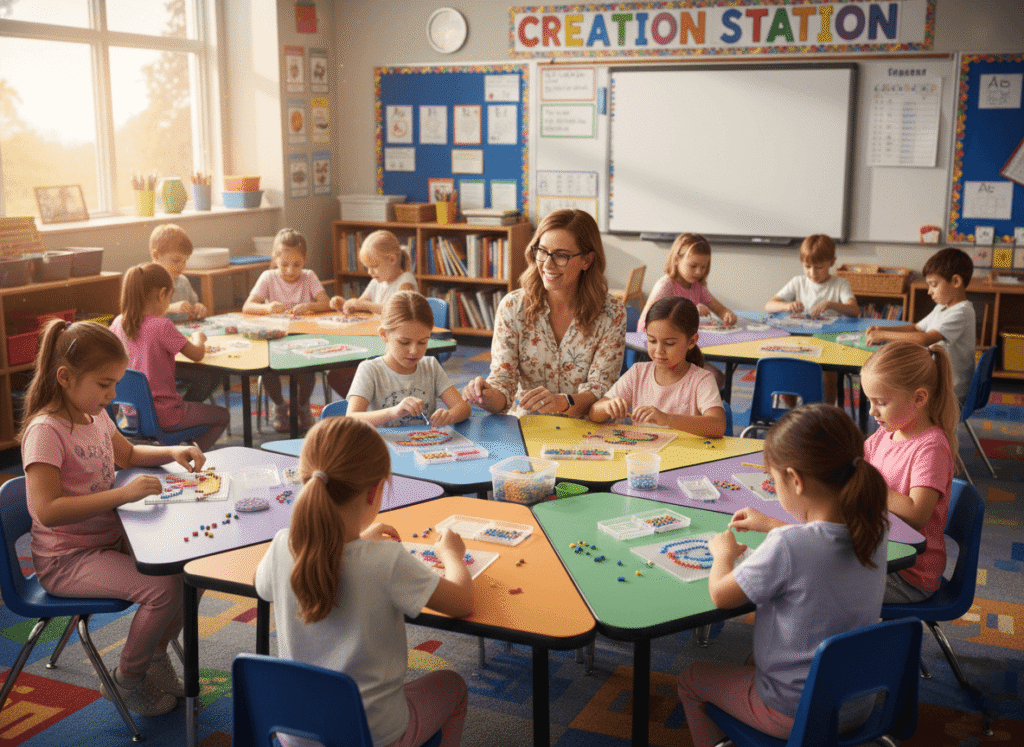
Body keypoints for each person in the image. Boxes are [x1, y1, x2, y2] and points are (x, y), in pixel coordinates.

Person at [19, 318, 207, 717]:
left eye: (116, 383)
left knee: (193, 569)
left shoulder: (93, 415)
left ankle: (155, 655)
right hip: (66, 559)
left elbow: (129, 454)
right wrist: (121, 495)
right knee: (163, 589)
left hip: (107, 540)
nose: (113, 394)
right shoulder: (46, 431)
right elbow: (47, 510)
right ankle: (128, 677)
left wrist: (172, 451)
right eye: (105, 384)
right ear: (65, 377)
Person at [677, 403, 890, 747]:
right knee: (751, 661)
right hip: (856, 705)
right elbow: (820, 543)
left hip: (793, 713)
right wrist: (774, 524)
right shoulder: (875, 529)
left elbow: (721, 595)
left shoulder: (788, 546)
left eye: (774, 481)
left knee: (691, 679)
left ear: (795, 480)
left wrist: (723, 554)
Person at [254, 417, 472, 747]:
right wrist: (451, 554)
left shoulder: (282, 545)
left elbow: (261, 584)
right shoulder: (387, 561)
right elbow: (462, 601)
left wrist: (355, 542)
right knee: (453, 686)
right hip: (373, 737)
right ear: (374, 492)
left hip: (296, 734)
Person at [462, 209, 626, 417]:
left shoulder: (611, 313)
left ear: (587, 260)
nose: (547, 264)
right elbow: (503, 383)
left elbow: (600, 389)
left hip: (584, 427)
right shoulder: (513, 306)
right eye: (542, 251)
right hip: (527, 424)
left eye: (561, 256)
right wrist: (485, 396)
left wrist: (562, 402)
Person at [860, 341, 959, 604]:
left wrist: (870, 486)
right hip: (879, 548)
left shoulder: (931, 448)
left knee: (820, 580)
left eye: (881, 402)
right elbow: (857, 463)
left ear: (919, 398)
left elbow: (917, 514)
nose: (872, 411)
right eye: (869, 401)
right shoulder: (887, 433)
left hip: (908, 573)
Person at [111, 263, 228, 451]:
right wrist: (198, 338)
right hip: (165, 416)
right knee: (222, 416)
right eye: (170, 297)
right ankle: (188, 454)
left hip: (130, 416)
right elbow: (197, 354)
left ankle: (178, 447)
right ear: (162, 294)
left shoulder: (118, 323)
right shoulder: (162, 326)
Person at [589, 297, 725, 437]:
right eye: (652, 341)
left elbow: (718, 426)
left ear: (691, 342)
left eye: (669, 343)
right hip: (643, 450)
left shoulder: (701, 380)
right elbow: (594, 413)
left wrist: (667, 419)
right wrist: (607, 407)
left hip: (683, 451)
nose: (659, 350)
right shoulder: (638, 373)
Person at [243, 228, 332, 431]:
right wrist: (267, 308)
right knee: (267, 369)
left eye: (297, 265)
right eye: (284, 265)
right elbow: (248, 306)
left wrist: (309, 305)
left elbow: (326, 303)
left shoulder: (309, 277)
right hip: (275, 340)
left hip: (303, 339)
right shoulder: (268, 277)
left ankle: (302, 406)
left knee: (307, 370)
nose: (290, 271)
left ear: (305, 259)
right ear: (275, 259)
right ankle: (279, 405)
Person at [345, 291, 470, 428]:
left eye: (422, 342)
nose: (414, 351)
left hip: (425, 441)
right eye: (404, 342)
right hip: (382, 442)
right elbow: (351, 418)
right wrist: (393, 412)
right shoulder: (370, 370)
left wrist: (450, 415)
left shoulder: (431, 366)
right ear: (384, 335)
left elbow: (463, 407)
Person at [866, 247, 975, 403]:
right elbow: (917, 327)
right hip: (940, 380)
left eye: (934, 285)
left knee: (897, 390)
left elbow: (925, 339)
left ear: (956, 281)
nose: (929, 291)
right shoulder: (943, 307)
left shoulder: (961, 312)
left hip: (951, 391)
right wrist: (882, 328)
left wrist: (883, 335)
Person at [765, 234, 859, 404]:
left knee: (828, 373)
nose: (812, 272)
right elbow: (769, 305)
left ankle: (826, 412)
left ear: (831, 262)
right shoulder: (798, 282)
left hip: (828, 341)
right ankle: (793, 410)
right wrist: (787, 305)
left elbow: (854, 310)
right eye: (807, 267)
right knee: (787, 370)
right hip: (800, 340)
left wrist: (831, 304)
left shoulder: (840, 284)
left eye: (819, 267)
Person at [149, 223, 220, 403]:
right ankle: (183, 408)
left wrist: (198, 308)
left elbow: (194, 304)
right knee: (208, 376)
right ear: (156, 255)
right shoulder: (147, 282)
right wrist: (171, 308)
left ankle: (184, 405)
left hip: (182, 346)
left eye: (185, 261)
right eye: (175, 261)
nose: (181, 266)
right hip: (163, 356)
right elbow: (144, 316)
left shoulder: (182, 281)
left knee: (213, 371)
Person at [636, 233, 736, 334]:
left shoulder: (698, 287)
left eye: (703, 267)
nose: (699, 272)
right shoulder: (666, 286)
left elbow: (719, 309)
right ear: (676, 260)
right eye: (693, 266)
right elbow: (652, 321)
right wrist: (690, 312)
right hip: (653, 337)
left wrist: (727, 315)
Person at [330, 230, 418, 315]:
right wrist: (346, 305)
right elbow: (360, 304)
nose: (370, 272)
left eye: (374, 266)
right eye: (368, 267)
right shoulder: (376, 282)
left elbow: (397, 310)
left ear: (392, 259)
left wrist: (364, 305)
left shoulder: (406, 280)